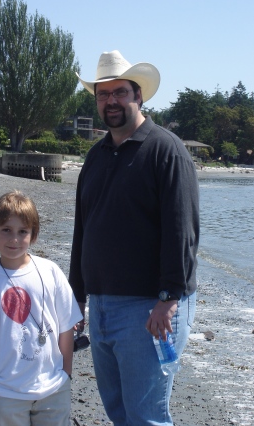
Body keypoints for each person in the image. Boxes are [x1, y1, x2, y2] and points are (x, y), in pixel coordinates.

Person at [69, 50, 199, 426]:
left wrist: (168, 298)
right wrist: (76, 297)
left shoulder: (166, 150)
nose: (111, 101)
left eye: (119, 92)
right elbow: (84, 229)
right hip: (103, 307)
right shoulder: (96, 156)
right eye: (102, 94)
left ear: (138, 95)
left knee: (146, 416)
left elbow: (182, 229)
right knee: (118, 410)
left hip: (150, 310)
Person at [0, 191, 82, 426]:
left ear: (33, 235)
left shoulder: (50, 272)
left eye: (22, 232)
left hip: (53, 390)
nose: (14, 239)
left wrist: (65, 375)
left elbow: (66, 328)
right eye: (6, 230)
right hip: (6, 395)